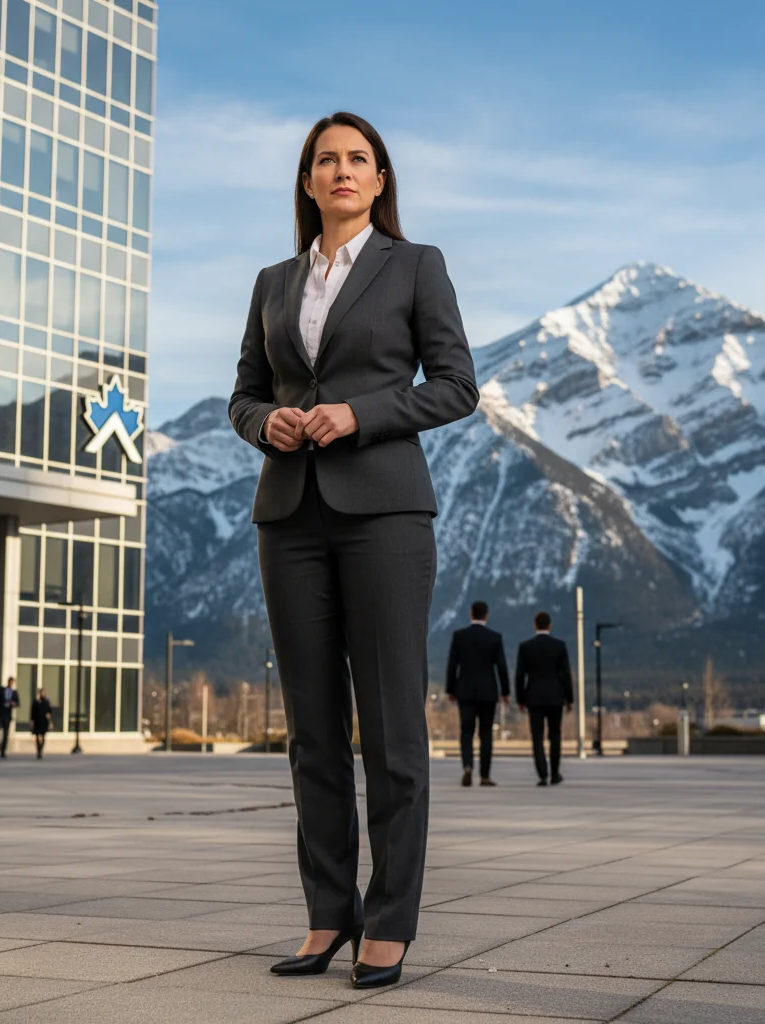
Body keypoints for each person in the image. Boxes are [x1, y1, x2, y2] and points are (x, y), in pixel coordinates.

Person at [229, 111, 478, 988]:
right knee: (313, 734)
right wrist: (268, 422)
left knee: (392, 728)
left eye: (358, 158)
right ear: (307, 181)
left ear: (379, 180)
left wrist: (358, 414)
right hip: (289, 515)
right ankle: (328, 913)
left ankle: (390, 920)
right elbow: (243, 394)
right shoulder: (273, 282)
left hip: (384, 515)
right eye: (325, 159)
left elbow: (457, 387)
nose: (341, 169)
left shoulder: (415, 265)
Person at [446, 601, 510, 787]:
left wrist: (451, 689)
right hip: (488, 692)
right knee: (486, 733)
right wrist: (505, 691)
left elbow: (452, 665)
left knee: (466, 731)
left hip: (465, 691)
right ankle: (485, 775)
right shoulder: (494, 637)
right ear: (486, 615)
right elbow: (501, 667)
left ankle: (467, 766)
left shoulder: (460, 636)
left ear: (470, 614)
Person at [515, 611, 574, 786]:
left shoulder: (525, 647)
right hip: (555, 697)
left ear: (535, 625)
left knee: (537, 737)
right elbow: (566, 675)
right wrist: (569, 698)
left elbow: (520, 676)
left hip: (534, 697)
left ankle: (542, 774)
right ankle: (555, 773)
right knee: (555, 735)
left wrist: (520, 699)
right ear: (550, 625)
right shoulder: (559, 646)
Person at [0, 676, 19, 759]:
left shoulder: (14, 693)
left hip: (7, 715)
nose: (11, 684)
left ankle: (3, 751)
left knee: (6, 734)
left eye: (12, 683)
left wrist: (13, 704)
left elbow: (17, 703)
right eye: (10, 682)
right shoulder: (0, 690)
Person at [30, 688, 52, 759]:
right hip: (37, 721)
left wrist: (50, 722)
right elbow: (32, 712)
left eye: (43, 693)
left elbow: (49, 712)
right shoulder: (35, 702)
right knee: (37, 736)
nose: (42, 694)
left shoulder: (47, 702)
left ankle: (41, 750)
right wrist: (32, 722)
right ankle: (38, 750)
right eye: (41, 693)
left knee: (43, 736)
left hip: (44, 721)